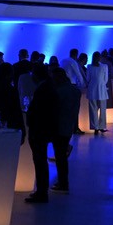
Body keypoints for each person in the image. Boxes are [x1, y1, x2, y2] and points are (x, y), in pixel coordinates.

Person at [25, 63, 59, 203]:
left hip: (39, 130)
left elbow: (39, 111)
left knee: (40, 161)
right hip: (43, 130)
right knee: (41, 161)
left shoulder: (43, 89)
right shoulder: (48, 87)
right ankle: (41, 191)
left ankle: (41, 192)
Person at [51, 67, 80, 193]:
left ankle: (63, 183)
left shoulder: (59, 91)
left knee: (60, 156)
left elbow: (54, 110)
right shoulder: (75, 91)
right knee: (61, 155)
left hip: (59, 126)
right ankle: (63, 182)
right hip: (69, 125)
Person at [85, 52, 109, 134]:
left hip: (93, 88)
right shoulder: (104, 66)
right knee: (101, 108)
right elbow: (105, 79)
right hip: (101, 88)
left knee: (94, 108)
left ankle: (96, 127)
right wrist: (101, 84)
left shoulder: (90, 66)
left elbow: (88, 78)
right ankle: (100, 126)